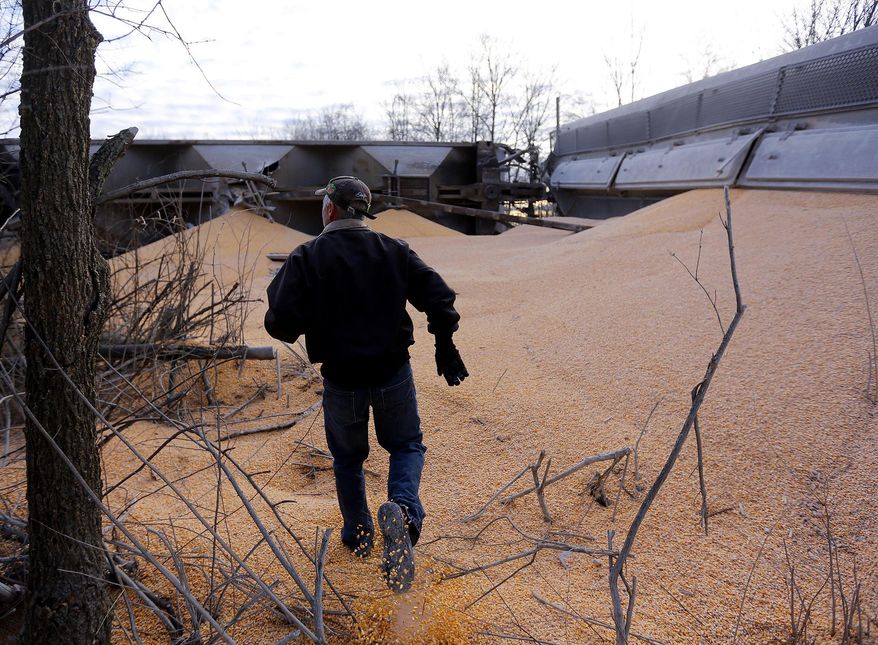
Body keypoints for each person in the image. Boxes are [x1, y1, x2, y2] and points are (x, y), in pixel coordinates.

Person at [264, 176, 468, 592]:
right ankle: (404, 513)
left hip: (342, 380)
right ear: (362, 211)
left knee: (348, 459)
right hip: (392, 371)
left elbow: (279, 323)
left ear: (330, 209)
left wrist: (317, 316)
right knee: (406, 445)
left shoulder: (307, 256)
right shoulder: (392, 250)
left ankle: (358, 538)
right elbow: (439, 297)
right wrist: (444, 346)